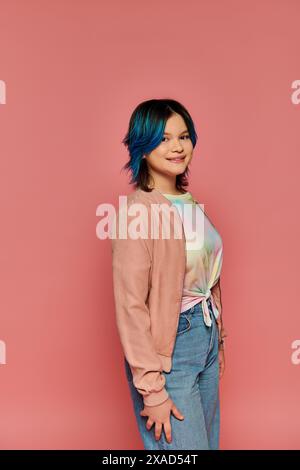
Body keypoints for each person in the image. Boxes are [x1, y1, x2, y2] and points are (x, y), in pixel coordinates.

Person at [111, 98, 227, 450]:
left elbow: (208, 278)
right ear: (142, 148)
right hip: (169, 345)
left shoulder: (190, 203)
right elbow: (131, 306)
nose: (177, 146)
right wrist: (151, 388)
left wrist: (218, 341)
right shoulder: (136, 213)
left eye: (184, 136)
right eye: (163, 139)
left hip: (203, 336)